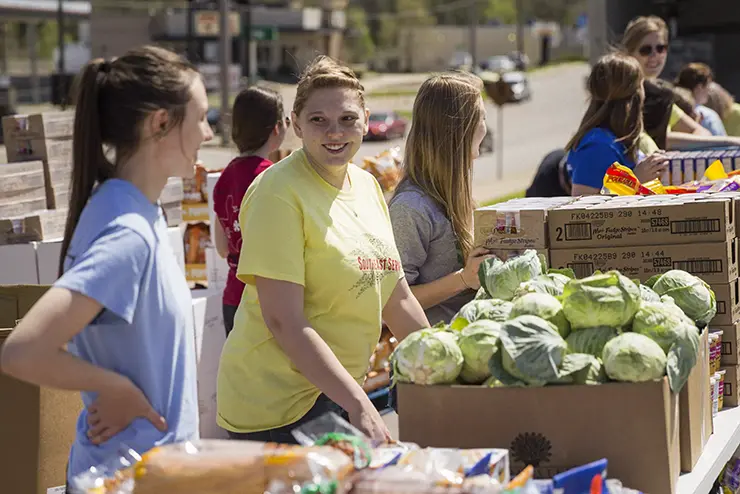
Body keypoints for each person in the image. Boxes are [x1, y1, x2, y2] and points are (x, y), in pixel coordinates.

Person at [0, 46, 213, 485]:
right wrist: (117, 391)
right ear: (161, 122)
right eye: (202, 117)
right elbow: (24, 350)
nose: (209, 134)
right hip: (132, 477)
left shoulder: (128, 208)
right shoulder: (128, 232)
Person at [216, 56, 430, 444]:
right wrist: (358, 403)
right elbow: (284, 320)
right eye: (318, 120)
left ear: (366, 118)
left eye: (348, 118)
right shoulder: (277, 191)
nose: (335, 132)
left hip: (337, 393)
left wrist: (444, 360)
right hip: (278, 406)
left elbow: (396, 299)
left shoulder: (367, 186)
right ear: (295, 124)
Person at [388, 73, 493, 326]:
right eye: (482, 116)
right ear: (461, 129)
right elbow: (392, 303)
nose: (486, 126)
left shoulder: (454, 194)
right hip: (436, 353)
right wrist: (464, 279)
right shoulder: (410, 208)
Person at [212, 86, 288, 336]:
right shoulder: (274, 176)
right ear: (277, 128)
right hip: (266, 302)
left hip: (232, 298)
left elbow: (222, 248)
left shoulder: (225, 177)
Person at [622, 16, 740, 149]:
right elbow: (650, 138)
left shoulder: (659, 92)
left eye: (661, 48)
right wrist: (726, 141)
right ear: (629, 52)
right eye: (646, 50)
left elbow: (700, 131)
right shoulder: (622, 91)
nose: (655, 55)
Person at [565, 52, 668, 196]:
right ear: (635, 95)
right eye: (641, 84)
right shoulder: (597, 146)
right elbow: (582, 210)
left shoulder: (618, 138)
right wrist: (636, 179)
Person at [675, 63, 728, 136]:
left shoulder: (670, 108)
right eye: (708, 85)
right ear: (699, 87)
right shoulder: (708, 116)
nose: (709, 91)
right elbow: (722, 143)